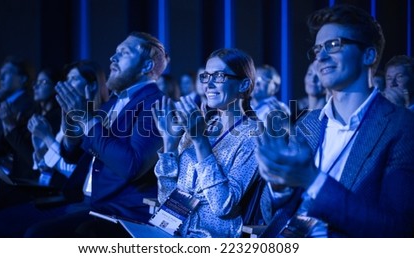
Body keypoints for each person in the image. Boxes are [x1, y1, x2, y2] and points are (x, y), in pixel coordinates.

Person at [0, 31, 169, 237]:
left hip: (116, 213)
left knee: (34, 235)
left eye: (123, 53)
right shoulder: (113, 103)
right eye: (115, 52)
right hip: (81, 199)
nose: (112, 58)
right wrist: (71, 120)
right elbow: (75, 155)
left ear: (147, 66)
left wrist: (87, 120)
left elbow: (131, 165)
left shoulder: (156, 104)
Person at [256, 4, 414, 237]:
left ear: (368, 55)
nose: (320, 55)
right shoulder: (308, 123)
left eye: (333, 45)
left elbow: (396, 231)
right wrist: (279, 184)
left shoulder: (402, 127)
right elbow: (270, 213)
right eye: (318, 48)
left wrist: (311, 179)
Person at [0, 61, 107, 237]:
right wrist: (40, 147)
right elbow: (47, 163)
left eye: (74, 79)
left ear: (92, 85)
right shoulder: (66, 114)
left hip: (56, 194)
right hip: (43, 186)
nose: (67, 84)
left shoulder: (98, 118)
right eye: (67, 79)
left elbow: (76, 171)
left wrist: (45, 138)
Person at [151, 48, 259, 237]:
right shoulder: (201, 125)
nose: (207, 85)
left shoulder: (253, 136)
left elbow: (222, 206)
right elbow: (166, 198)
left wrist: (200, 141)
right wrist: (169, 143)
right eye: (206, 76)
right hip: (171, 232)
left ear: (243, 84)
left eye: (218, 77)